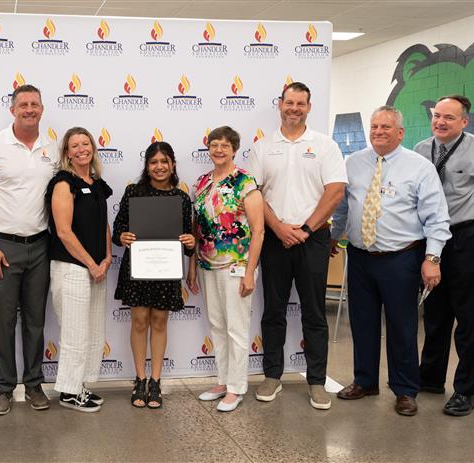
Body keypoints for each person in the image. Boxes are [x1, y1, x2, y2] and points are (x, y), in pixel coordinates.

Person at [331, 106, 451, 416]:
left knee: (402, 326)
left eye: (386, 126)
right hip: (359, 256)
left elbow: (437, 219)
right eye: (374, 126)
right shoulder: (353, 163)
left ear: (400, 132)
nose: (378, 131)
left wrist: (432, 258)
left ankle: (405, 389)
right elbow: (344, 208)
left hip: (401, 259)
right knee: (362, 323)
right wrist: (333, 236)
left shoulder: (419, 167)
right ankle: (365, 381)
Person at [247, 82, 347, 410]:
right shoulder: (263, 147)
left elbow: (335, 192)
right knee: (273, 311)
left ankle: (316, 381)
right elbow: (254, 194)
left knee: (315, 313)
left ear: (309, 106)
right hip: (275, 239)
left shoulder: (324, 145)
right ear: (280, 105)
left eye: (300, 103)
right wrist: (278, 227)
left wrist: (304, 229)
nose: (294, 108)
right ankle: (272, 376)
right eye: (289, 102)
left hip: (312, 238)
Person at [414, 95, 474, 416]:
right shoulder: (420, 150)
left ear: (464, 122)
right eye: (437, 115)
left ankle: (466, 390)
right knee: (435, 313)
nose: (441, 122)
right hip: (433, 240)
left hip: (469, 237)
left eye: (449, 118)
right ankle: (429, 378)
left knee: (471, 318)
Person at [0, 84, 58, 415]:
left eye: (34, 104)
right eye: (23, 104)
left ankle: (34, 384)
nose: (29, 109)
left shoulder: (52, 148)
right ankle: (4, 387)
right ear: (12, 110)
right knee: (4, 321)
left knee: (36, 321)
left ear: (42, 108)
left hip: (40, 246)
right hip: (3, 247)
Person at [187, 126, 264, 412]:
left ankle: (237, 387)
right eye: (214, 145)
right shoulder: (203, 182)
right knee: (218, 326)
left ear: (234, 149)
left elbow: (258, 231)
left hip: (236, 264)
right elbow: (199, 229)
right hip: (207, 264)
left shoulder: (245, 182)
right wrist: (193, 267)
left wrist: (249, 271)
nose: (219, 149)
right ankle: (222, 380)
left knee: (236, 328)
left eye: (224, 145)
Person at [113, 141, 195, 409]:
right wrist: (122, 236)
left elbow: (187, 239)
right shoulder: (133, 193)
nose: (159, 167)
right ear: (147, 167)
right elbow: (117, 231)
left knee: (159, 321)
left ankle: (156, 381)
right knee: (138, 321)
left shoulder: (182, 198)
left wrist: (190, 242)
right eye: (153, 162)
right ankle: (139, 379)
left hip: (166, 268)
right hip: (138, 266)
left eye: (164, 161)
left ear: (172, 165)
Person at [46, 127, 112, 412]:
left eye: (86, 143)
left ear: (93, 149)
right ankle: (69, 393)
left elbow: (104, 225)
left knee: (92, 330)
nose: (82, 149)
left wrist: (107, 258)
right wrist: (90, 264)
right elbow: (63, 232)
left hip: (97, 267)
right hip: (72, 267)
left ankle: (80, 386)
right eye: (75, 145)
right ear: (67, 153)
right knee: (74, 332)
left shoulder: (96, 183)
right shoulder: (63, 183)